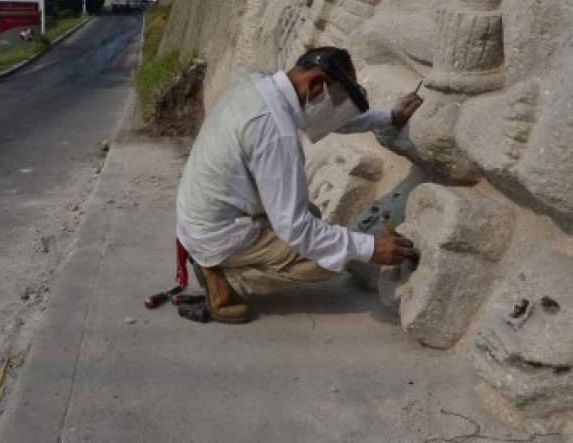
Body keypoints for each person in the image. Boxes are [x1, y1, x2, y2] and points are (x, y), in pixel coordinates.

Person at [176, 47, 423, 323]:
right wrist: (369, 248)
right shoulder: (275, 131)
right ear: (316, 85)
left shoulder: (259, 85)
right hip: (215, 234)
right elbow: (295, 228)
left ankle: (222, 261)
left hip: (199, 216)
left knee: (317, 222)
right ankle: (228, 279)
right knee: (328, 259)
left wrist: (389, 117)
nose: (339, 114)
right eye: (339, 102)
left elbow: (327, 119)